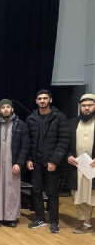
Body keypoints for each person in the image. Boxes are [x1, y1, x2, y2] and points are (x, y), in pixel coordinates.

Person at [26, 89, 69, 233]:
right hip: (36, 162)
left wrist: (54, 161)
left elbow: (63, 141)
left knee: (52, 192)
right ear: (36, 101)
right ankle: (40, 218)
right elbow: (28, 142)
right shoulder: (31, 118)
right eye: (39, 99)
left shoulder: (59, 117)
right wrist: (29, 159)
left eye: (45, 98)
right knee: (36, 191)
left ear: (50, 100)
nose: (42, 101)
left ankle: (54, 221)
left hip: (52, 163)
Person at [0, 99, 30, 227]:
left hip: (13, 163)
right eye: (3, 107)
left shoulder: (21, 125)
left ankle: (11, 217)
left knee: (12, 189)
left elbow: (25, 145)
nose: (5, 109)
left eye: (8, 107)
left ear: (12, 109)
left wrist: (19, 163)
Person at [66, 94, 95, 234]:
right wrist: (68, 157)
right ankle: (87, 223)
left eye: (90, 105)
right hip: (78, 167)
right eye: (84, 106)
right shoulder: (71, 123)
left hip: (94, 167)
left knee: (92, 195)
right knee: (81, 195)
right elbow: (64, 144)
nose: (87, 108)